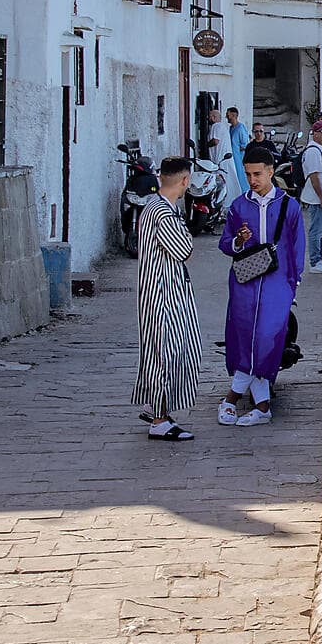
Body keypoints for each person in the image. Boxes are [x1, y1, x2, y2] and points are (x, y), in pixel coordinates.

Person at [218, 144, 306, 426]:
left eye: (257, 173)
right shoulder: (238, 206)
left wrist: (293, 283)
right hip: (245, 281)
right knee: (244, 336)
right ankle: (263, 406)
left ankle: (231, 397)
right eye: (248, 174)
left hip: (278, 282)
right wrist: (239, 241)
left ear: (270, 172)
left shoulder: (288, 206)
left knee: (268, 338)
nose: (253, 180)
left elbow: (296, 247)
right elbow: (225, 244)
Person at [135, 157, 203, 441]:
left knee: (161, 352)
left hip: (162, 290)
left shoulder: (153, 207)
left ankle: (160, 412)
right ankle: (160, 419)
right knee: (165, 353)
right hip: (163, 293)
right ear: (185, 181)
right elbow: (184, 250)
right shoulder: (163, 213)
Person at [298, 120, 322, 273]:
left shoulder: (321, 150)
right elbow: (314, 177)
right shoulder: (313, 151)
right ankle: (315, 261)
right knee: (317, 229)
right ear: (315, 134)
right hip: (318, 197)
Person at [224, 106, 251, 194]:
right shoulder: (231, 128)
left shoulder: (240, 128)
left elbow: (245, 144)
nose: (226, 117)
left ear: (233, 115)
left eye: (228, 115)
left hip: (239, 159)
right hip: (231, 158)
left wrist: (237, 149)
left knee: (241, 178)